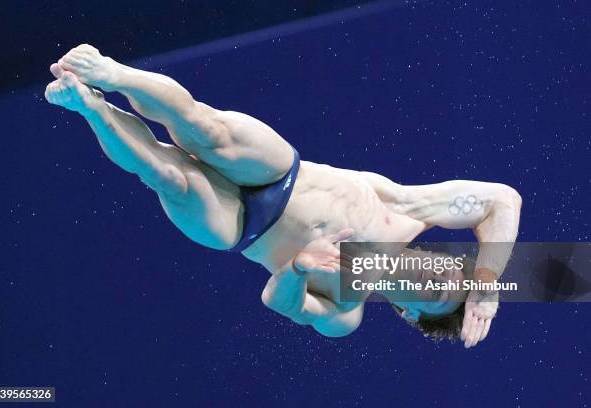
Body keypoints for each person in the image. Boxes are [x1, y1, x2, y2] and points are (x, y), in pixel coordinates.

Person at [44, 44, 522, 348]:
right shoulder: (410, 211)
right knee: (204, 129)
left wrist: (299, 269)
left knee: (167, 175)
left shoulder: (345, 312)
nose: (435, 274)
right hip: (280, 174)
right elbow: (503, 198)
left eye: (438, 292)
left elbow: (282, 304)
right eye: (449, 270)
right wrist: (487, 282)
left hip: (238, 226)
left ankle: (90, 107)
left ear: (408, 311)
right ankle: (111, 72)